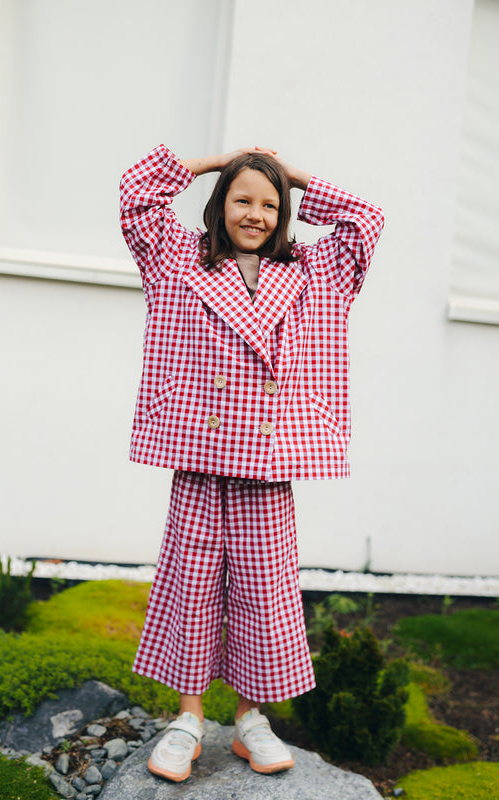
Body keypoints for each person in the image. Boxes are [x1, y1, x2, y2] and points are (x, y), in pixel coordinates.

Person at [119, 144, 384, 782]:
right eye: (242, 199)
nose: (255, 214)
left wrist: (294, 175)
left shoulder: (314, 270)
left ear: (284, 213)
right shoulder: (177, 258)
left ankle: (250, 719)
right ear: (220, 205)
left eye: (270, 204)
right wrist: (216, 161)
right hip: (199, 452)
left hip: (268, 460)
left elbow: (366, 220)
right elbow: (137, 195)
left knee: (265, 592)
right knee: (190, 583)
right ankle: (187, 717)